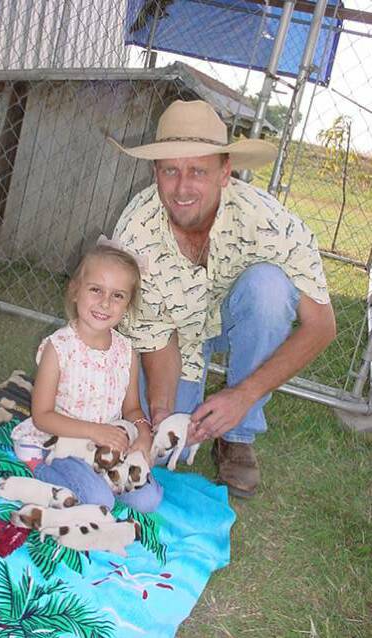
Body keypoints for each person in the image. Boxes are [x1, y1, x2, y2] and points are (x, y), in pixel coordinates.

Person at [108, 99, 336, 498]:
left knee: (268, 289)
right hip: (178, 338)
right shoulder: (135, 232)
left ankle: (238, 435)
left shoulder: (269, 222)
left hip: (242, 322)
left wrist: (242, 396)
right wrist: (160, 412)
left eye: (198, 170)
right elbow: (155, 334)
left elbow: (322, 326)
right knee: (159, 451)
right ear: (155, 172)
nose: (182, 188)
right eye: (170, 171)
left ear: (225, 171)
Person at [14, 242, 162, 512]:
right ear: (75, 291)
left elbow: (132, 408)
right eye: (96, 290)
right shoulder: (58, 348)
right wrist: (95, 431)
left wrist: (143, 435)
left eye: (118, 296)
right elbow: (42, 416)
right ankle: (38, 471)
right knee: (99, 500)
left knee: (148, 500)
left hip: (107, 445)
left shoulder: (126, 352)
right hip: (61, 443)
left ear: (128, 304)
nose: (105, 303)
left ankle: (97, 479)